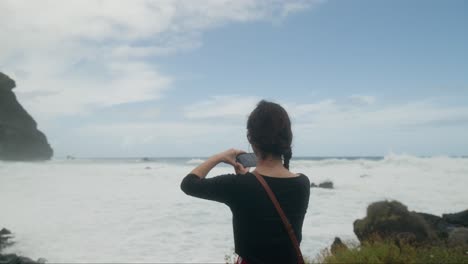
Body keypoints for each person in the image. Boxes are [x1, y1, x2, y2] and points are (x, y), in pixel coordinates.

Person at [181, 100, 310, 264]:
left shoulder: (238, 186)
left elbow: (188, 184)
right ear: (287, 138)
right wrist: (246, 180)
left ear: (251, 138)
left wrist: (220, 156)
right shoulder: (303, 183)